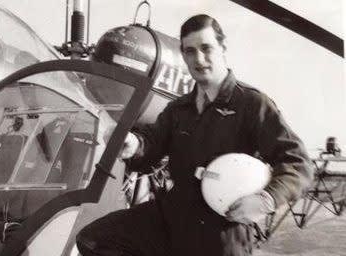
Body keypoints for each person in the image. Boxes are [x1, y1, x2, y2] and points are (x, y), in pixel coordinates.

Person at [76, 14, 313, 256]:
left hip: (221, 229)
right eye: (190, 51)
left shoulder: (251, 103)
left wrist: (267, 199)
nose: (199, 59)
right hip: (174, 216)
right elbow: (152, 144)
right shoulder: (179, 109)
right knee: (94, 240)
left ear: (222, 48)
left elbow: (298, 162)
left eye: (206, 48)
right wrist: (134, 144)